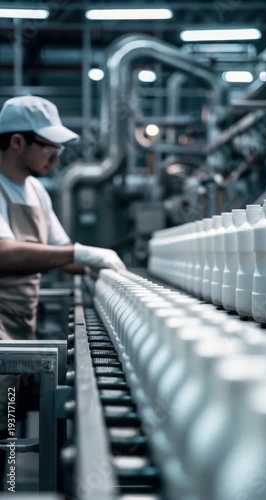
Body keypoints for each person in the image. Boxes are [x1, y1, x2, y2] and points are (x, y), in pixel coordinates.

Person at [0, 95, 126, 487]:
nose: (57, 157)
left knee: (8, 428)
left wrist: (96, 268)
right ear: (18, 142)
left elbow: (58, 251)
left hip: (22, 325)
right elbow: (3, 254)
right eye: (50, 147)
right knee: (1, 425)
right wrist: (80, 252)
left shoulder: (36, 190)